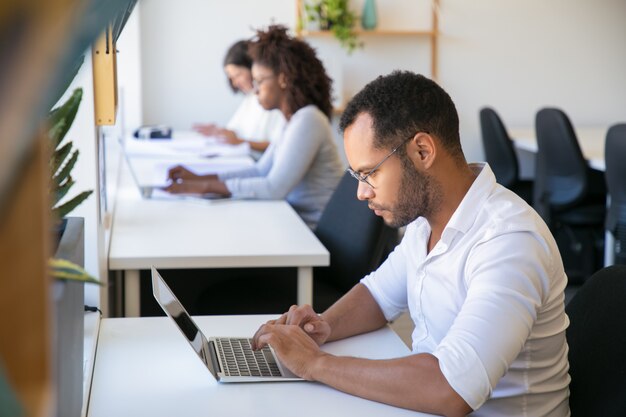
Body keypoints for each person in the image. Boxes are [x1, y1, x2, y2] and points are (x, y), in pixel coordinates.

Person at [251, 71, 570, 416]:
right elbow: (377, 295)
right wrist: (322, 328)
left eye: (370, 173)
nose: (361, 192)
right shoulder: (425, 221)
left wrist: (315, 364)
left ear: (422, 150)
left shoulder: (510, 240)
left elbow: (450, 389)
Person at [166, 26, 344, 230]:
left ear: (283, 79)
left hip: (315, 235)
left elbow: (273, 188)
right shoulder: (291, 121)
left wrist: (204, 187)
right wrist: (201, 177)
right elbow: (261, 171)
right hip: (295, 224)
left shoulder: (309, 119)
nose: (256, 90)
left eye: (260, 81)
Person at [193, 40, 285, 155]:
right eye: (231, 78)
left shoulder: (272, 100)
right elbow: (235, 131)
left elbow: (278, 145)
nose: (235, 83)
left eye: (237, 75)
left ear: (253, 67)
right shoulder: (250, 98)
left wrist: (238, 141)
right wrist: (218, 131)